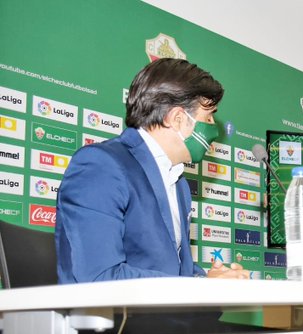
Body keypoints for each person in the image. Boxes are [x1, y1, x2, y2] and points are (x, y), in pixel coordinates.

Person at [56, 58, 249, 283]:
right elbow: (98, 276)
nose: (213, 127)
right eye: (208, 117)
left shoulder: (178, 183)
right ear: (177, 119)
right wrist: (200, 286)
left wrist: (209, 277)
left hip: (161, 316)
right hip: (116, 317)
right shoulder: (101, 165)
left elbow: (175, 272)